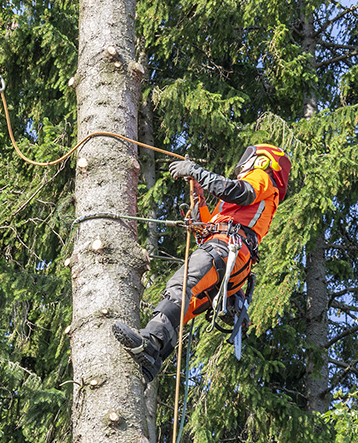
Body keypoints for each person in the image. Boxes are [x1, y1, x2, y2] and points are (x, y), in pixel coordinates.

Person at [112, 144, 292, 382]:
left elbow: (237, 191)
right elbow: (209, 227)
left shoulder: (261, 178)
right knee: (184, 306)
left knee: (181, 284)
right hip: (229, 256)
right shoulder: (236, 210)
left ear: (261, 161)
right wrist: (199, 197)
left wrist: (196, 171)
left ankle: (150, 341)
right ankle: (153, 359)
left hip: (227, 249)